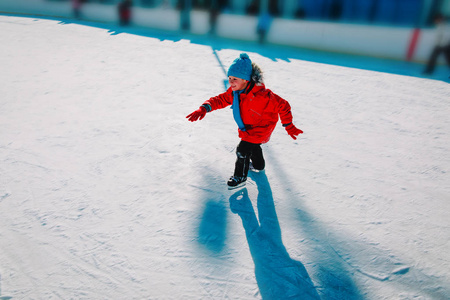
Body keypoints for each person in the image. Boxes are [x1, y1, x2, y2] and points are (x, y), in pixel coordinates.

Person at [186, 53, 303, 189]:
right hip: (249, 127)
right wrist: (205, 108)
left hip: (261, 127)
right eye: (229, 78)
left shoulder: (263, 96)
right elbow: (220, 99)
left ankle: (240, 177)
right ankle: (259, 165)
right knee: (253, 146)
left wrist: (288, 125)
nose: (231, 81)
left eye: (235, 78)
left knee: (243, 150)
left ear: (246, 80)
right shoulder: (235, 92)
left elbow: (283, 105)